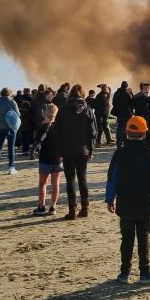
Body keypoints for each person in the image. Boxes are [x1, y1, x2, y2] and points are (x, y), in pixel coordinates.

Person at [106, 115, 150, 284]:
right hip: (144, 201)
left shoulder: (119, 154)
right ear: (145, 133)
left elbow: (112, 178)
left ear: (126, 132)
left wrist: (110, 199)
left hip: (125, 202)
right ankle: (145, 272)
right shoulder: (149, 154)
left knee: (127, 238)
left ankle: (124, 273)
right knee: (143, 237)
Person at [54, 84, 97, 220]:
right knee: (82, 178)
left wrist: (59, 150)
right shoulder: (88, 110)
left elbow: (57, 132)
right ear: (82, 95)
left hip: (67, 150)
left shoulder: (63, 110)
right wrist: (91, 150)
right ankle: (85, 209)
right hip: (82, 149)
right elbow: (93, 133)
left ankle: (72, 211)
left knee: (70, 180)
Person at [33, 104, 62, 216]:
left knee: (42, 183)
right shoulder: (59, 127)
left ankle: (41, 206)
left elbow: (37, 141)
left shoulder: (41, 127)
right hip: (57, 158)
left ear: (45, 113)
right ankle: (53, 207)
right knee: (55, 184)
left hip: (45, 158)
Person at [0, 88, 20, 175]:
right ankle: (11, 168)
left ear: (1, 93)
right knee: (11, 148)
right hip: (11, 127)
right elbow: (18, 114)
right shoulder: (12, 102)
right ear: (10, 94)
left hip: (0, 127)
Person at [112, 81, 133, 149]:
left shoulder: (116, 93)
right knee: (126, 128)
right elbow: (131, 102)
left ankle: (119, 143)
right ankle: (125, 142)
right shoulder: (128, 93)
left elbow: (113, 102)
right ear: (126, 86)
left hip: (119, 113)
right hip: (126, 113)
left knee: (120, 128)